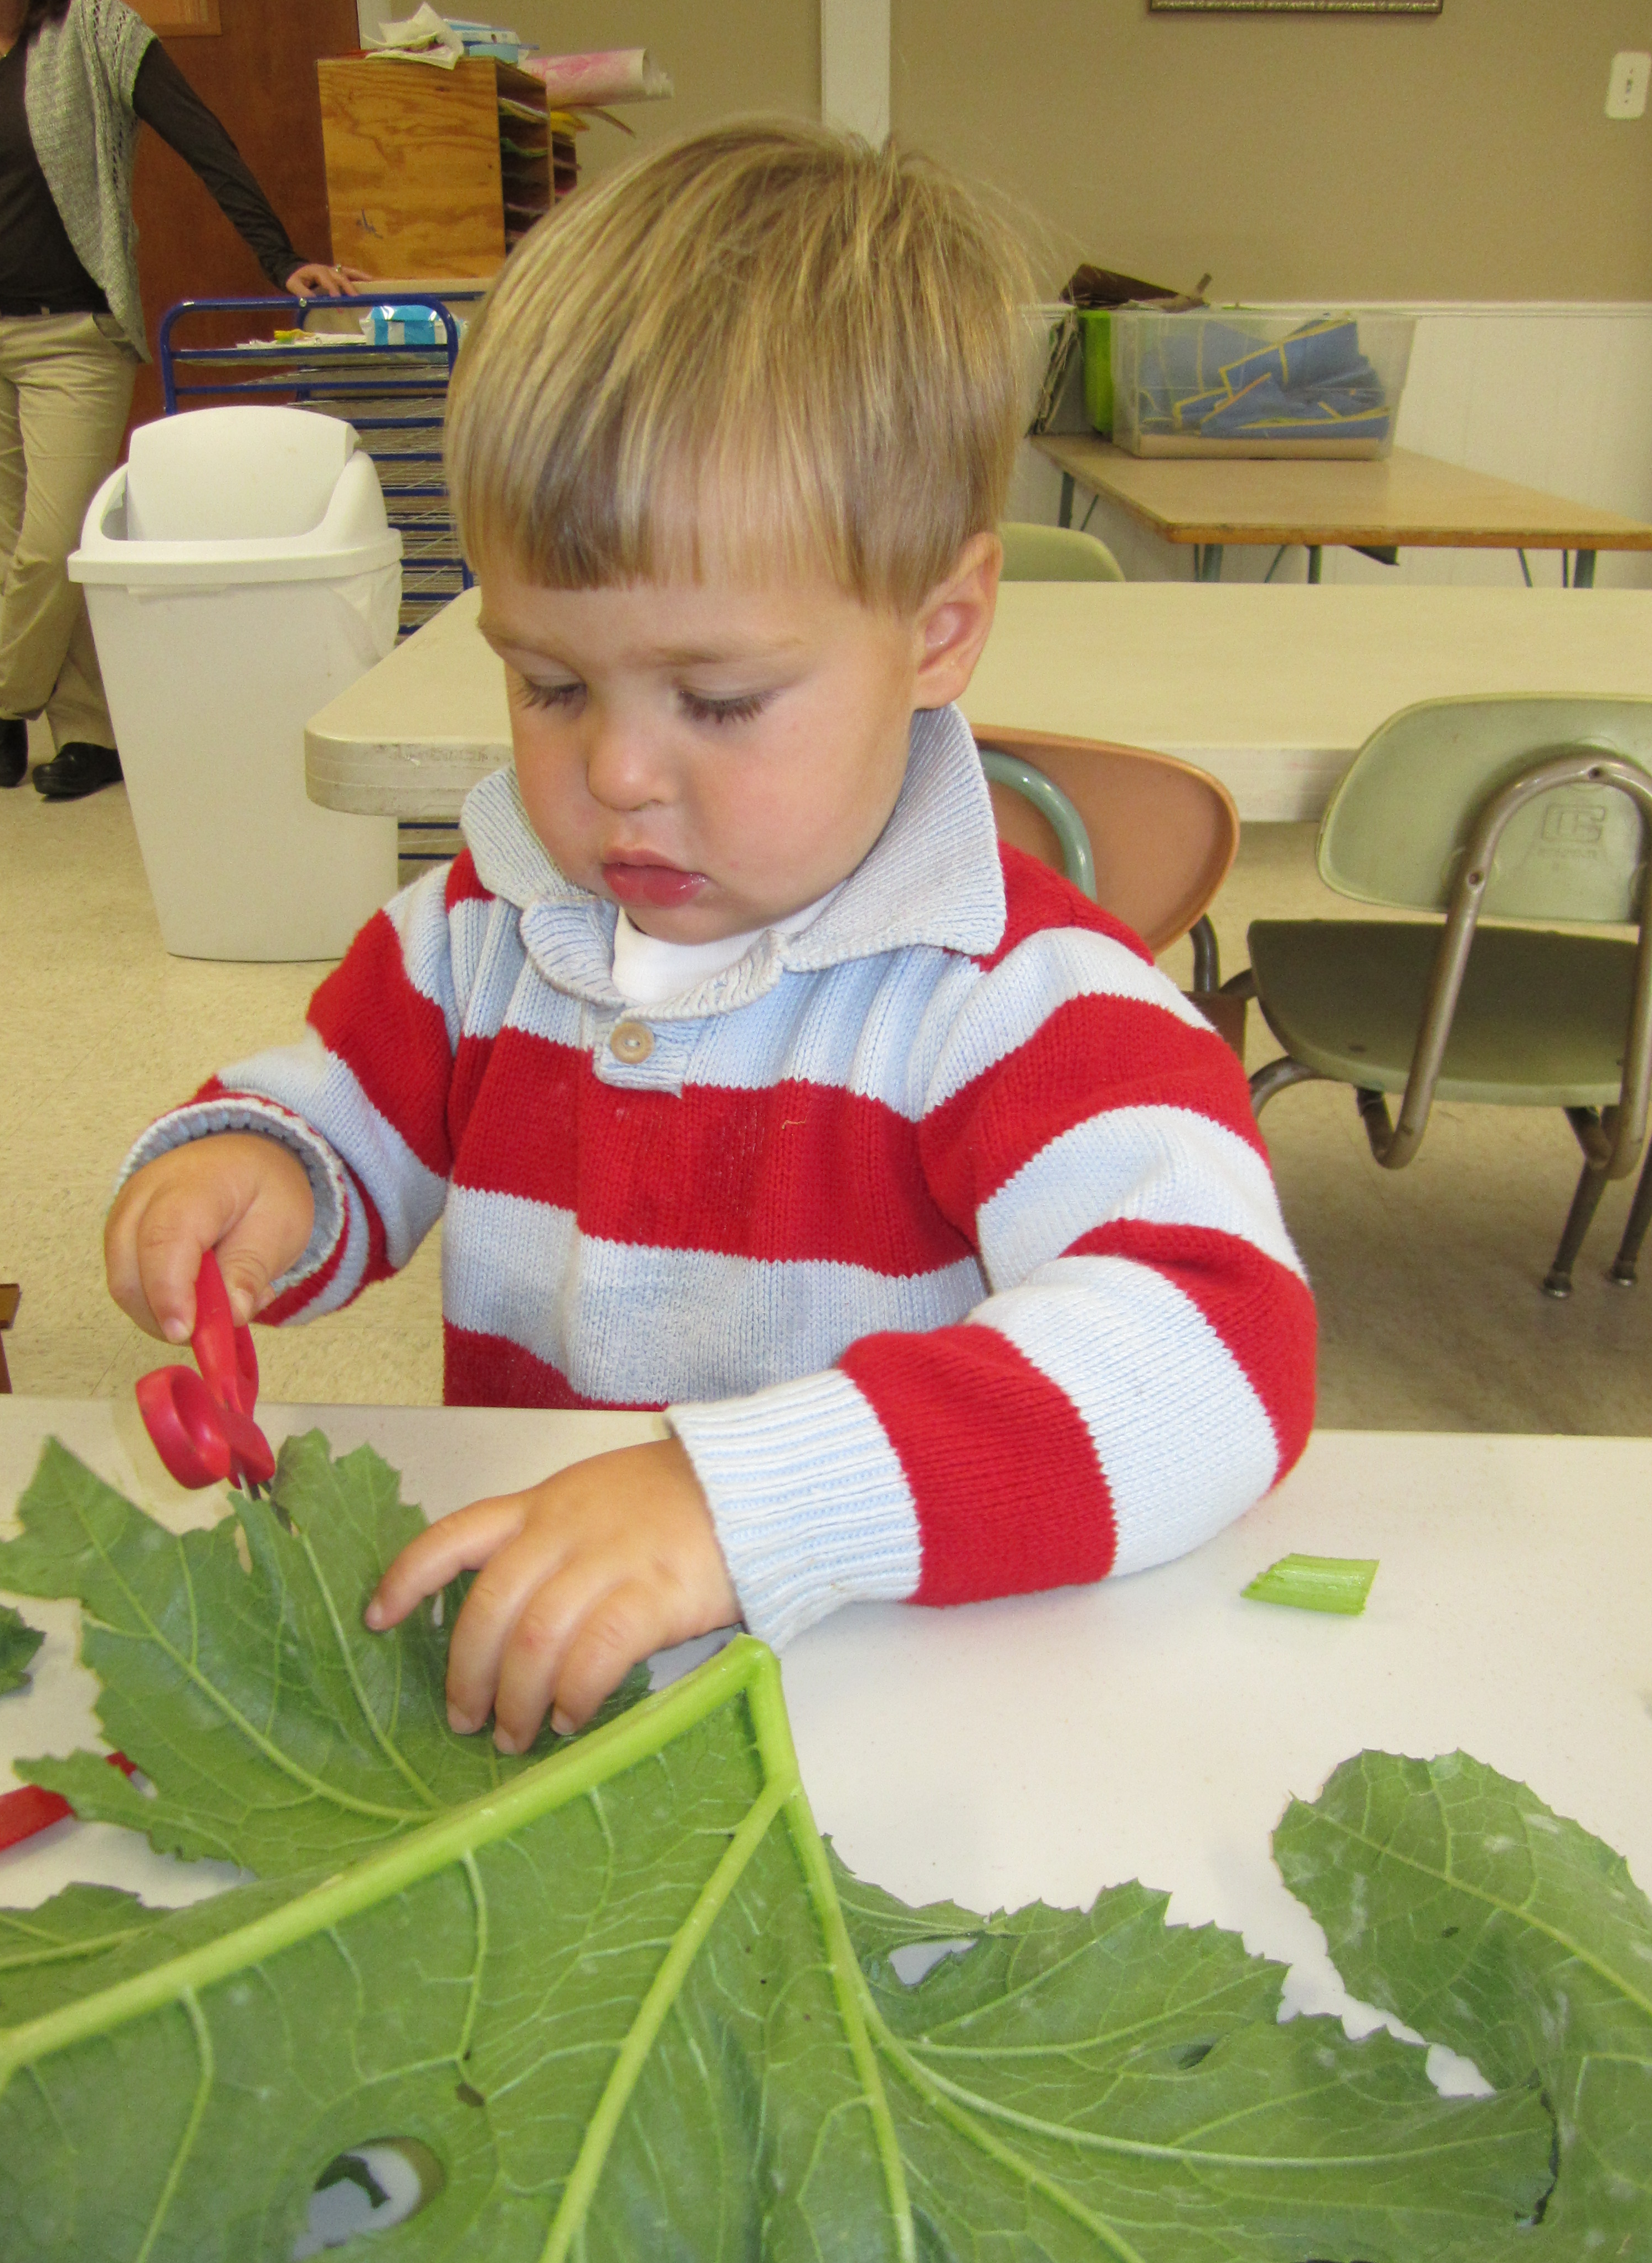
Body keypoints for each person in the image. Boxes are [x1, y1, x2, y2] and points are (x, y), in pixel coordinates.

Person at [106, 120, 1316, 1753]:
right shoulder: (490, 924)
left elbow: (1220, 1359)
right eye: (548, 682)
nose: (612, 775)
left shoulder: (1024, 1004)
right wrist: (256, 1175)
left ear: (939, 631)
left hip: (895, 1699)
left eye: (721, 699)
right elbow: (337, 1111)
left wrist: (739, 1501)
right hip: (552, 1686)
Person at [0, 0, 362, 802]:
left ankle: (0, 690)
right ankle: (90, 733)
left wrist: (280, 256)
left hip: (68, 337)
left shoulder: (95, 29)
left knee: (52, 547)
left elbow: (201, 136)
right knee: (16, 552)